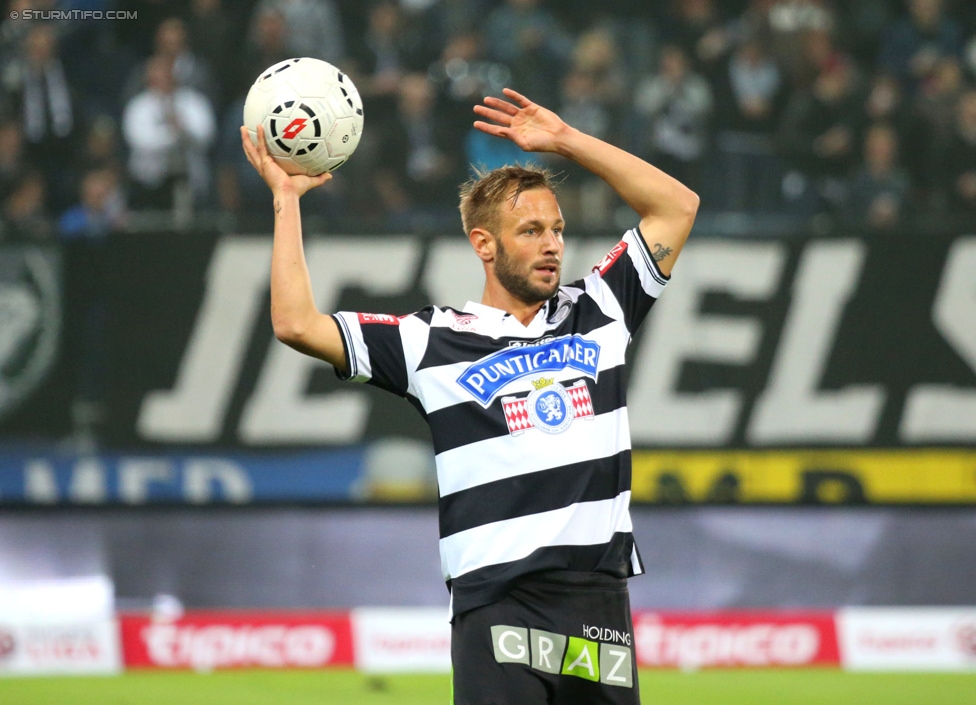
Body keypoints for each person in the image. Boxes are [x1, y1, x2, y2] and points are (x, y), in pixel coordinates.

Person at [240, 87, 699, 704]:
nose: (552, 244)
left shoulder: (600, 309)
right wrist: (286, 200)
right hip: (496, 606)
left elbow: (677, 206)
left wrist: (566, 140)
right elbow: (296, 323)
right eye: (531, 230)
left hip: (598, 607)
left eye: (557, 230)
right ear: (484, 244)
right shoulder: (430, 341)